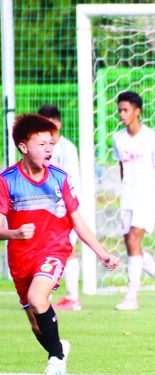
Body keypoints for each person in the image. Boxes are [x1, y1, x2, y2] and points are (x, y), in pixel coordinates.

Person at [2, 114, 119, 375]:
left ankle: (56, 357)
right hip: (20, 259)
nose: (49, 149)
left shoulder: (60, 179)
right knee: (35, 322)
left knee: (37, 297)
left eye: (51, 143)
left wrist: (102, 253)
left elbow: (77, 221)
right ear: (23, 147)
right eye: (42, 143)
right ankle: (59, 348)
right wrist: (13, 233)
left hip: (53, 251)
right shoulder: (7, 181)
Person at [112, 91, 155, 311]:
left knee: (134, 241)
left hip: (148, 195)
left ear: (137, 111)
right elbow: (122, 168)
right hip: (128, 195)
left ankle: (132, 297)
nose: (122, 114)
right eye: (119, 110)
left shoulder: (152, 138)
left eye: (126, 110)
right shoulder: (118, 139)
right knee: (131, 244)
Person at [37, 105, 83, 312]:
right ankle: (43, 292)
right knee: (45, 250)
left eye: (51, 124)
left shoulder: (67, 149)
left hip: (64, 207)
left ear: (59, 124)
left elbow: (71, 180)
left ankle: (73, 297)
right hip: (43, 207)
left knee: (68, 249)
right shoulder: (40, 149)